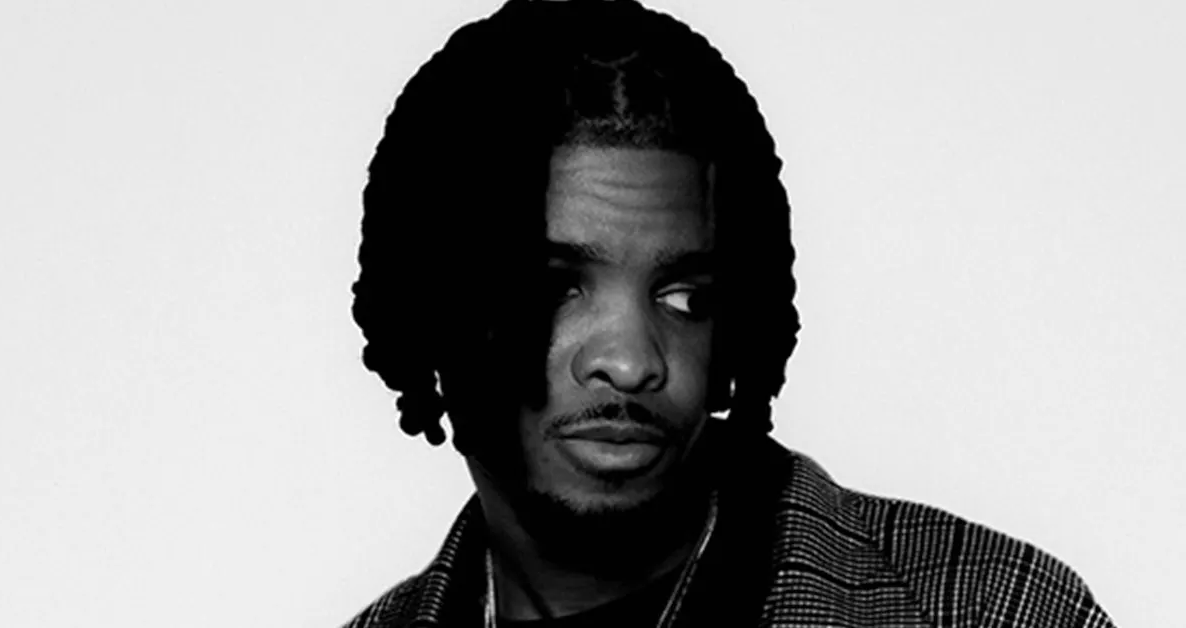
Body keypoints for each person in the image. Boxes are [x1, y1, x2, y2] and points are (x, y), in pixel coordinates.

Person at [343, 1, 1115, 625]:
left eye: (687, 298)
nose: (632, 361)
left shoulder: (991, 611)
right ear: (429, 304)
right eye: (552, 288)